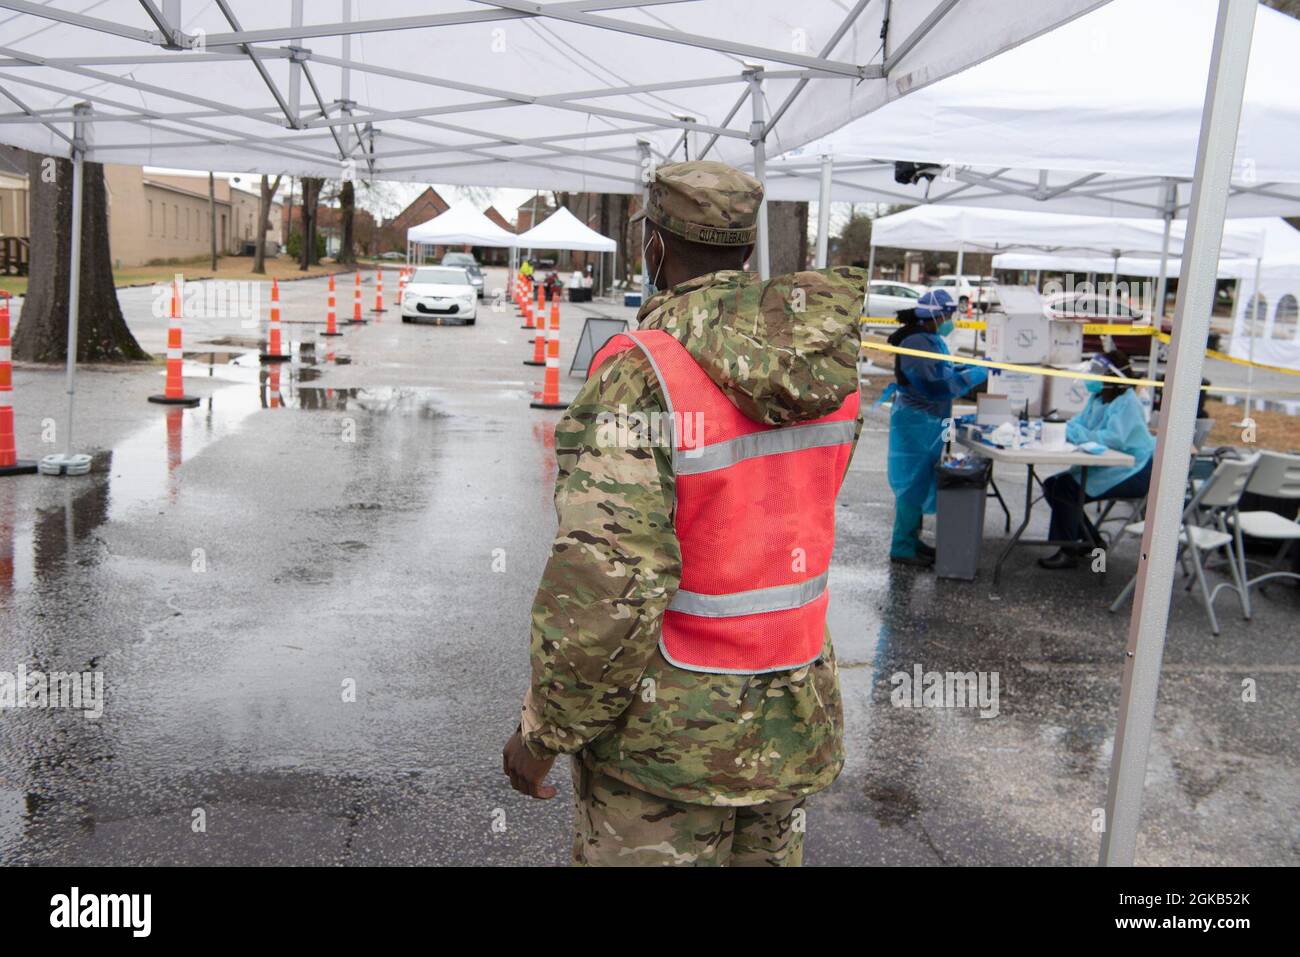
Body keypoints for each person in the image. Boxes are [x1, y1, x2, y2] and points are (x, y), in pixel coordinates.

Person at [501, 160, 868, 867]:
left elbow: (607, 585)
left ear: (655, 247)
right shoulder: (825, 370)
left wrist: (542, 734)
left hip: (664, 750)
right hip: (789, 724)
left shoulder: (642, 373)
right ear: (748, 253)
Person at [882, 290, 988, 567]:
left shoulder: (928, 339)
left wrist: (968, 366)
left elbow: (942, 371)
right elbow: (935, 386)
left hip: (925, 421)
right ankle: (902, 547)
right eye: (949, 315)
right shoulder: (918, 341)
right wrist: (975, 374)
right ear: (936, 315)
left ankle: (911, 540)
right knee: (912, 487)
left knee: (918, 483)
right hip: (917, 422)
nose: (950, 321)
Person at [1038, 349, 1155, 569]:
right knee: (1053, 485)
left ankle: (1069, 549)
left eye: (1097, 373)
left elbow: (1116, 439)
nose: (1091, 377)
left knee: (1066, 489)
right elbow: (1081, 423)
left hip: (1135, 469)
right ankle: (1091, 542)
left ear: (1111, 377)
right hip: (1112, 464)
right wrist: (1064, 427)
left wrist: (1081, 435)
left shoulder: (1127, 403)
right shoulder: (1099, 397)